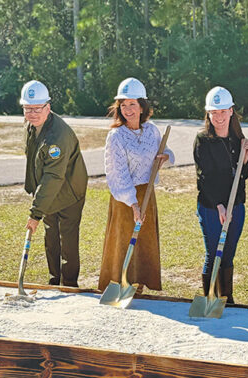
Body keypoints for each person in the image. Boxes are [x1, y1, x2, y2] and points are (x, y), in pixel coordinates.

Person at [98, 77, 174, 293]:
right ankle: (120, 284)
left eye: (132, 104)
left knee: (144, 242)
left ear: (142, 106)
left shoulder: (151, 131)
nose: (128, 109)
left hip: (147, 194)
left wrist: (165, 157)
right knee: (124, 241)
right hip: (125, 199)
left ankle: (140, 284)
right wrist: (132, 204)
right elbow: (118, 174)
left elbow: (166, 152)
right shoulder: (116, 137)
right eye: (123, 105)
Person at [20, 80, 88, 287]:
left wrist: (35, 212)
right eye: (27, 108)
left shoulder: (58, 136)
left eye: (37, 108)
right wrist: (36, 195)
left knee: (67, 240)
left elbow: (53, 176)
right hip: (48, 192)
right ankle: (53, 282)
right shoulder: (31, 127)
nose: (32, 113)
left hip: (69, 192)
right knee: (51, 239)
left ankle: (68, 285)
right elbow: (34, 162)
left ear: (48, 107)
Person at [193, 86, 248, 303]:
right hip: (211, 207)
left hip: (236, 205)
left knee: (228, 254)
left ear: (231, 111)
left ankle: (227, 298)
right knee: (213, 252)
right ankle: (210, 299)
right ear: (208, 114)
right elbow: (204, 177)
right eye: (213, 112)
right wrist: (218, 205)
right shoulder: (203, 140)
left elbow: (244, 174)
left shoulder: (238, 139)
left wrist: (245, 158)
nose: (218, 117)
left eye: (222, 111)